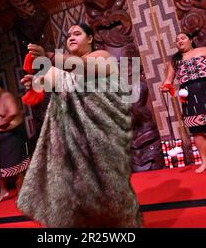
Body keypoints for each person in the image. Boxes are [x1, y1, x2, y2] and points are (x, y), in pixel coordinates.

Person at [16, 23, 141, 228]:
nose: (71, 38)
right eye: (68, 35)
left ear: (90, 38)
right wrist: (34, 82)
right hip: (68, 141)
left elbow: (82, 67)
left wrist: (49, 57)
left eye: (77, 34)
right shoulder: (61, 67)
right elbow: (50, 82)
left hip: (99, 138)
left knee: (106, 194)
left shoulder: (101, 57)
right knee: (69, 198)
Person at [160, 32, 206, 173]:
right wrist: (165, 86)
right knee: (197, 131)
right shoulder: (175, 60)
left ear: (191, 40)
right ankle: (204, 161)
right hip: (189, 97)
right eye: (177, 40)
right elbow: (168, 79)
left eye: (182, 38)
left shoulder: (204, 51)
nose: (179, 41)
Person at [0, 78, 30, 204]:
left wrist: (2, 122)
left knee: (17, 168)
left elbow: (14, 112)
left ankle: (21, 193)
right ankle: (3, 191)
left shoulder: (7, 97)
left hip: (11, 137)